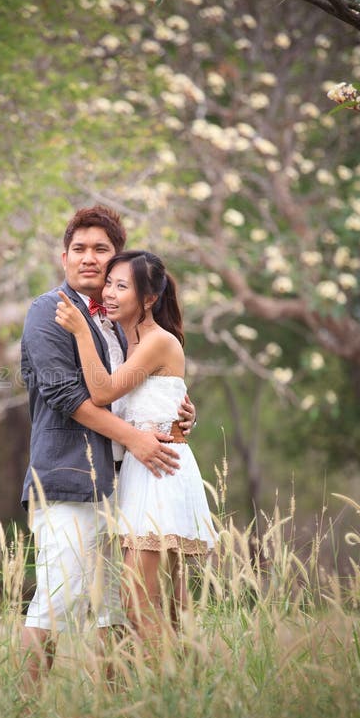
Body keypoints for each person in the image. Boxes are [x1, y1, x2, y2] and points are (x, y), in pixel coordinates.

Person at [20, 207, 196, 685]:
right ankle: (19, 710)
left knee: (114, 608)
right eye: (80, 249)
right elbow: (67, 396)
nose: (89, 259)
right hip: (71, 475)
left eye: (101, 250)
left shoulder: (123, 317)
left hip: (129, 482)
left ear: (117, 259)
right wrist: (136, 438)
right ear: (64, 257)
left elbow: (137, 386)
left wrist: (177, 411)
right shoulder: (48, 310)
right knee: (57, 599)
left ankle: (118, 714)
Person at [55, 249, 215, 651]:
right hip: (142, 473)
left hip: (159, 475)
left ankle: (176, 695)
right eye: (109, 283)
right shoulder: (127, 343)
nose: (109, 292)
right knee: (164, 607)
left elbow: (104, 391)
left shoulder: (158, 341)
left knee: (140, 605)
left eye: (120, 286)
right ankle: (182, 694)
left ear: (148, 299)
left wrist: (78, 332)